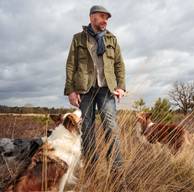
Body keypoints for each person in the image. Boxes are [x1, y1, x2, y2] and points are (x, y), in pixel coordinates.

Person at [64, 5, 126, 167]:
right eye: (102, 17)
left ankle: (116, 169)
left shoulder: (111, 39)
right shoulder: (78, 38)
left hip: (107, 89)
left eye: (107, 18)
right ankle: (91, 167)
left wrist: (121, 87)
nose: (105, 21)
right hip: (84, 89)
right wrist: (70, 90)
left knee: (111, 128)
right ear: (92, 17)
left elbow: (119, 64)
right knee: (87, 128)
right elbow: (71, 64)